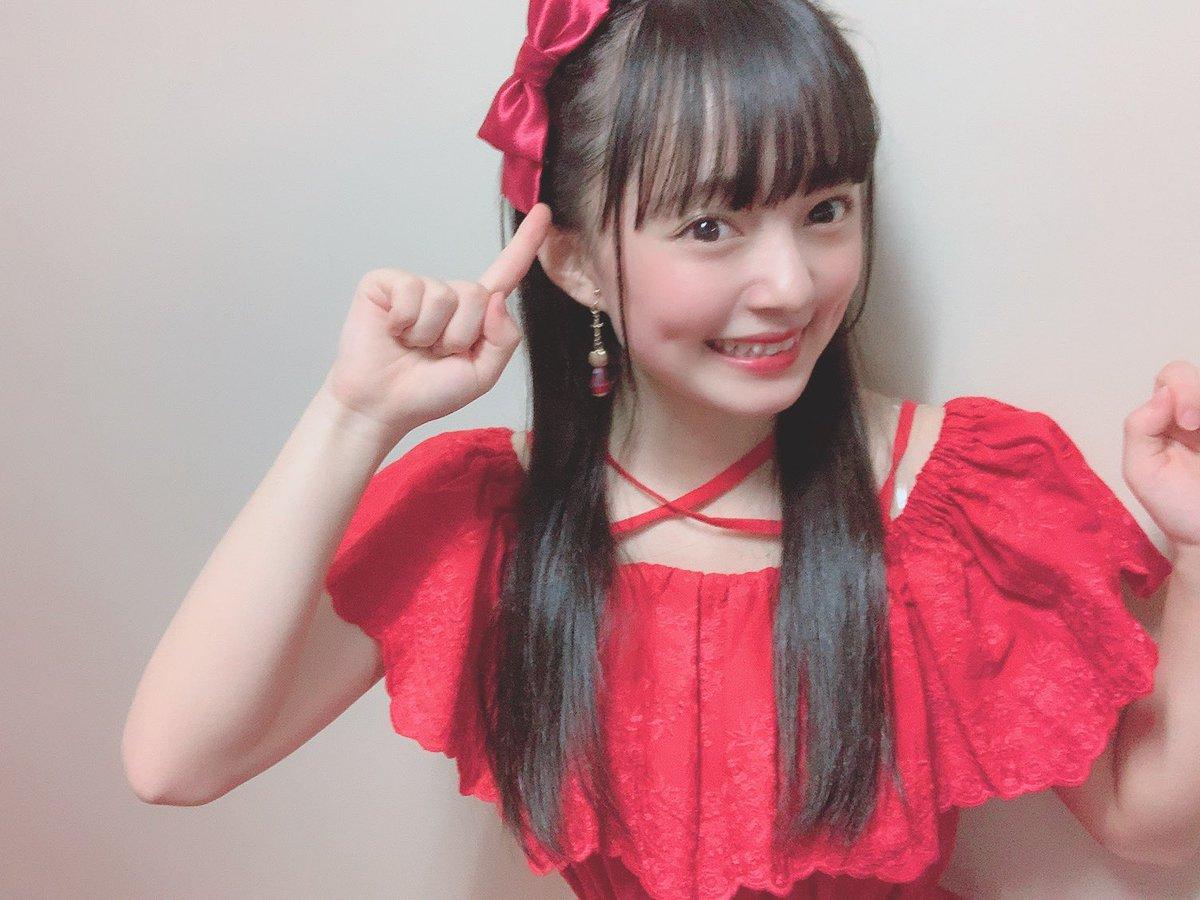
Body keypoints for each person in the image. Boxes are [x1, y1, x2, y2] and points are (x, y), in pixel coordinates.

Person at [122, 0, 1200, 897]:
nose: (791, 284)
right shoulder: (490, 524)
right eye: (710, 226)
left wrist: (1198, 548)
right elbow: (176, 762)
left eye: (826, 209)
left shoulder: (961, 498)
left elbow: (1150, 825)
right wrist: (355, 415)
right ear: (577, 263)